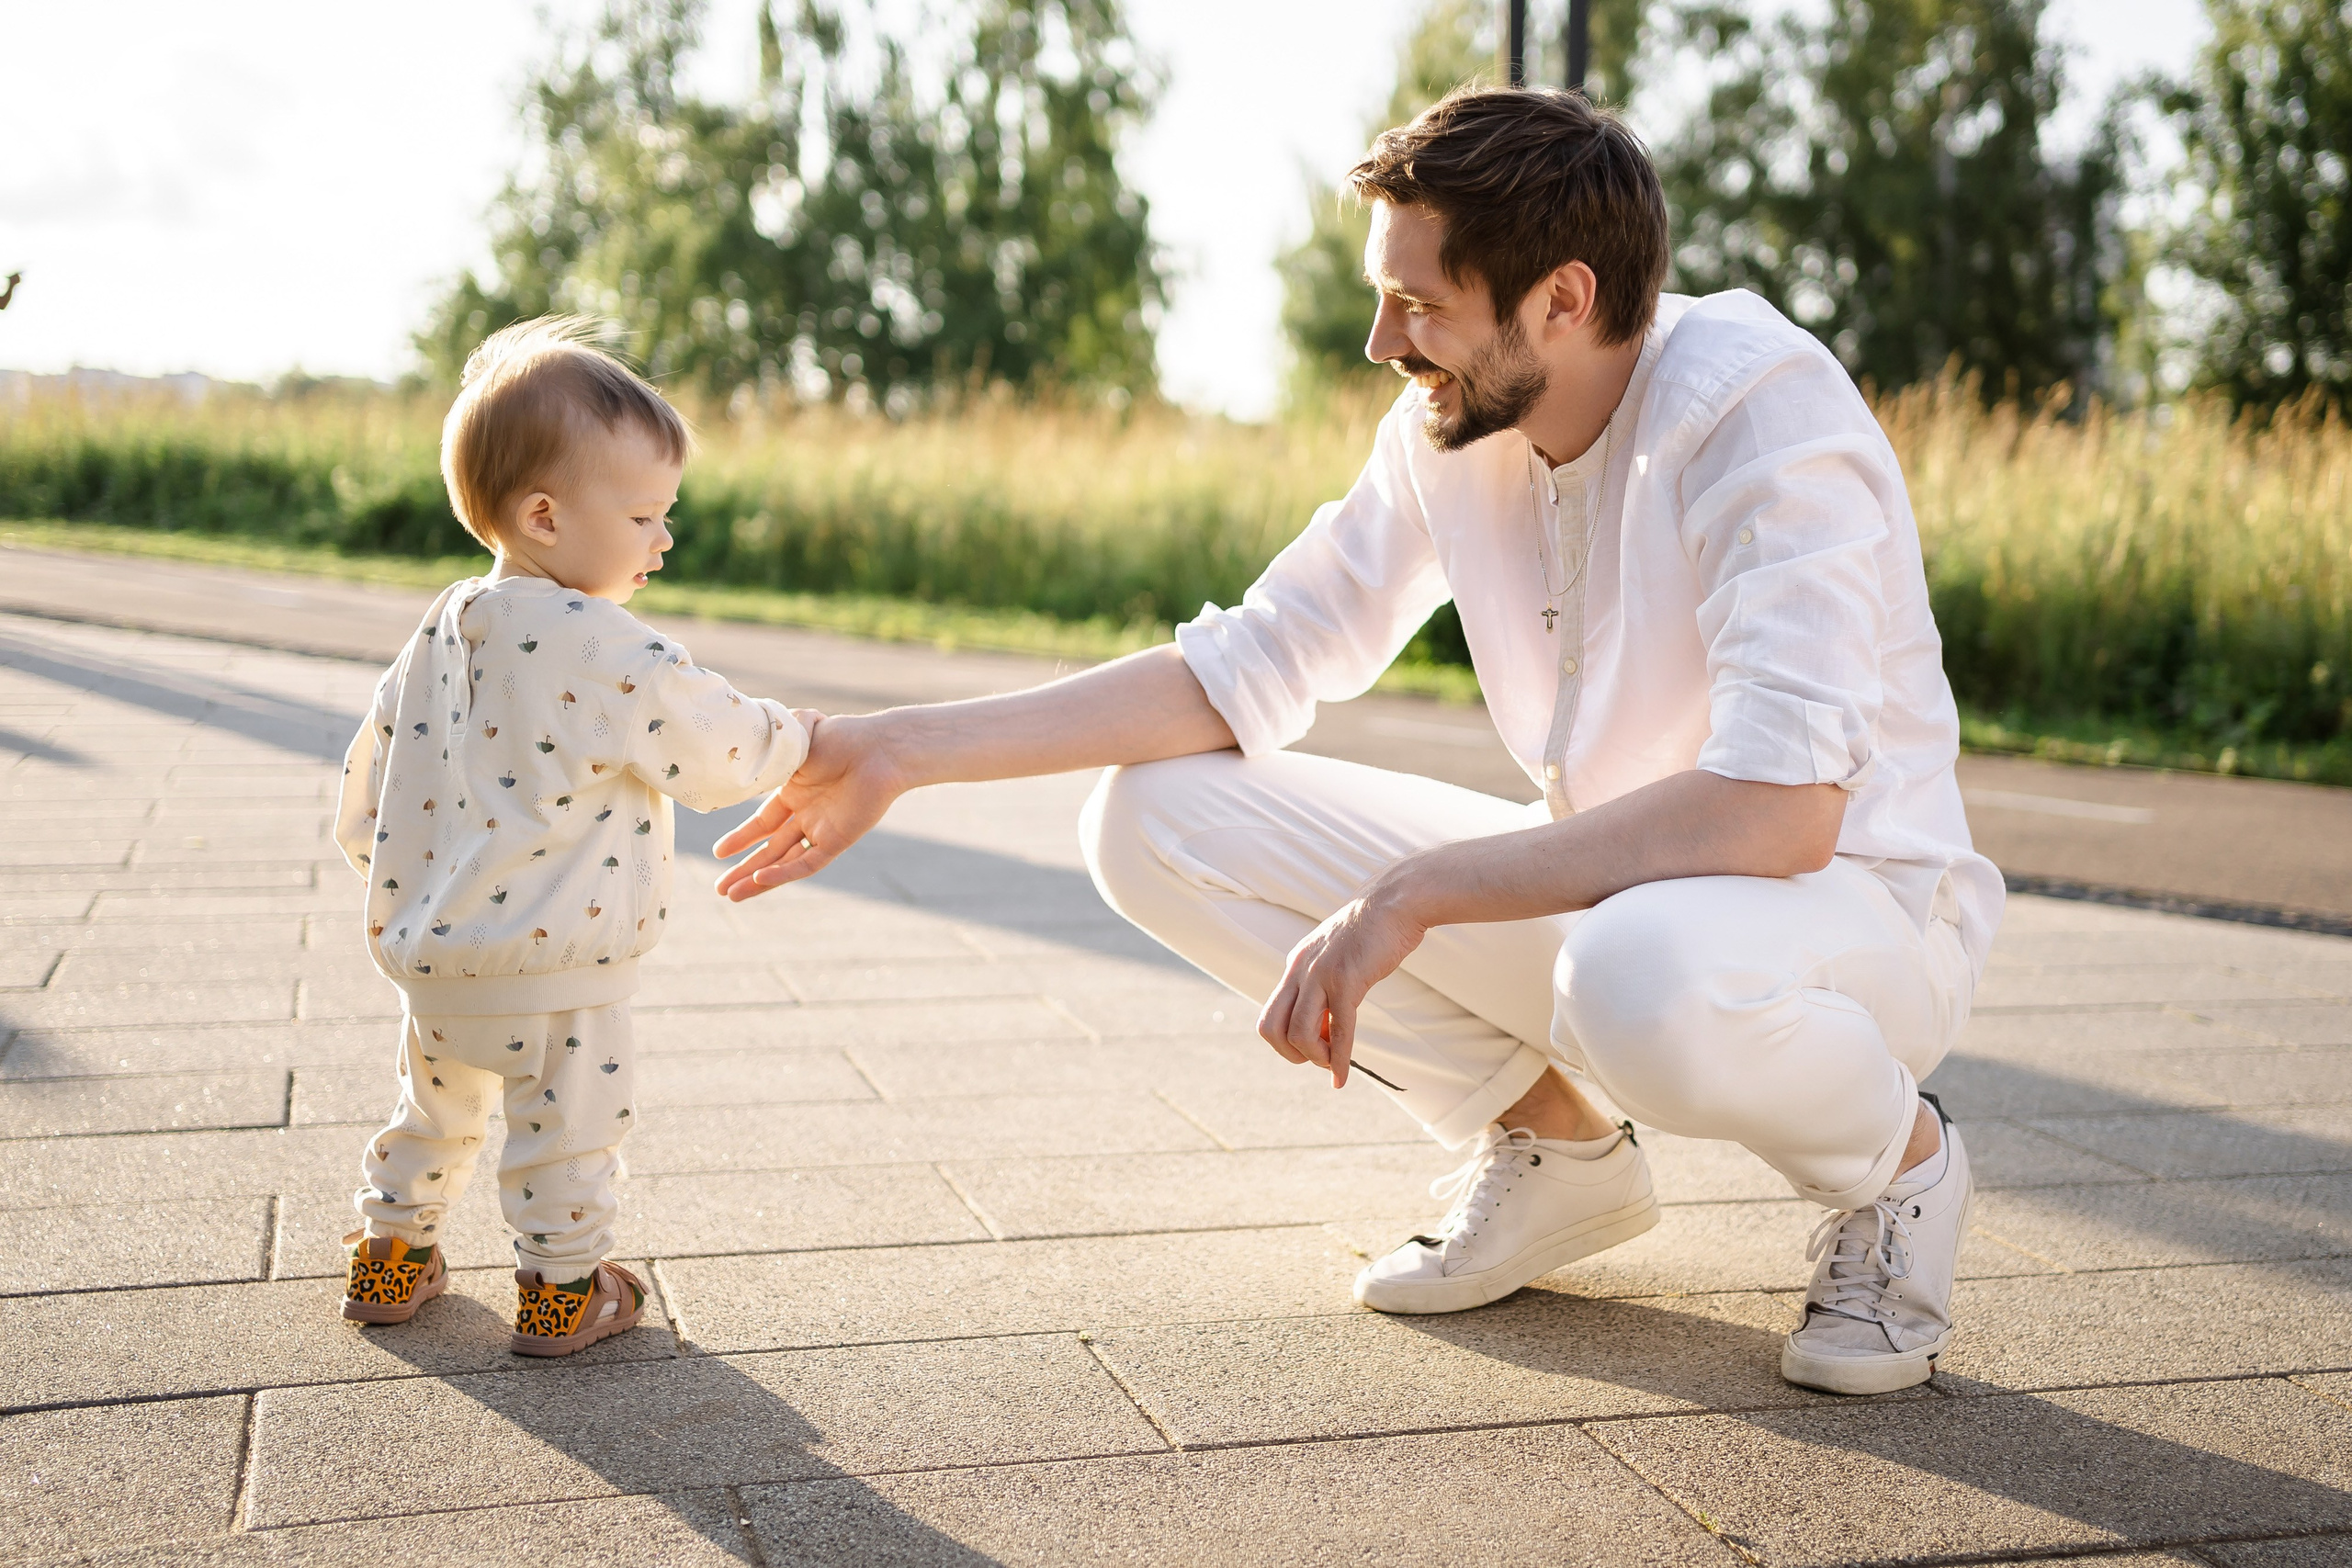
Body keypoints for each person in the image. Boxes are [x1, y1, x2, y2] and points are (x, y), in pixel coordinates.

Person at [713, 88, 2001, 1397]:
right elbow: (1246, 660)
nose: (1383, 338)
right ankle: (1555, 1149)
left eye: (1423, 302)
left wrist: (1414, 892)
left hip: (1859, 914)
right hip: (1627, 889)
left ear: (1562, 298)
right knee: (1153, 816)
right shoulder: (1453, 432)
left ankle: (1899, 1167)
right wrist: (893, 749)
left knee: (1635, 976)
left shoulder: (1757, 408)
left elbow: (1781, 812)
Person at [332, 319, 809, 1356]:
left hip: (433, 961)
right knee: (566, 1134)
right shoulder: (603, 643)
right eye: (644, 514)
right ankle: (561, 1289)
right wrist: (801, 738)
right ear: (545, 516)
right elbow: (715, 745)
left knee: (430, 1117)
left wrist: (404, 881)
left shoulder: (438, 628)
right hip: (564, 963)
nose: (663, 540)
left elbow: (366, 778)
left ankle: (389, 1256)